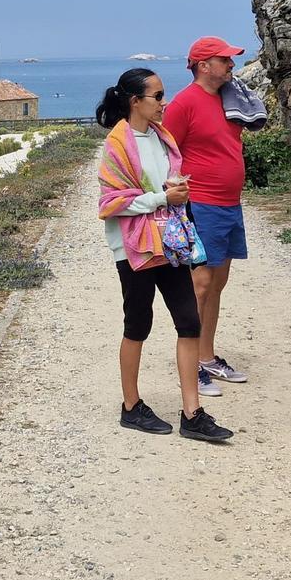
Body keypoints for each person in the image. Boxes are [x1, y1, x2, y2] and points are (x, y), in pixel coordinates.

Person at [96, 68, 234, 445]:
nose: (164, 102)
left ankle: (192, 413)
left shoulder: (163, 138)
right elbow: (110, 203)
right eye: (157, 96)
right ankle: (131, 406)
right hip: (134, 248)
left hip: (169, 244)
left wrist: (176, 191)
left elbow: (164, 186)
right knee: (137, 324)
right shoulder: (117, 145)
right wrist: (162, 198)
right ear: (134, 101)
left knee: (189, 322)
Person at [161, 36, 250, 398]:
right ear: (203, 66)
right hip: (202, 204)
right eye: (224, 60)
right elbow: (169, 151)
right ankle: (191, 363)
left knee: (218, 284)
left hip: (231, 204)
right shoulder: (184, 103)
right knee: (199, 285)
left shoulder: (230, 99)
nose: (232, 65)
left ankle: (207, 355)